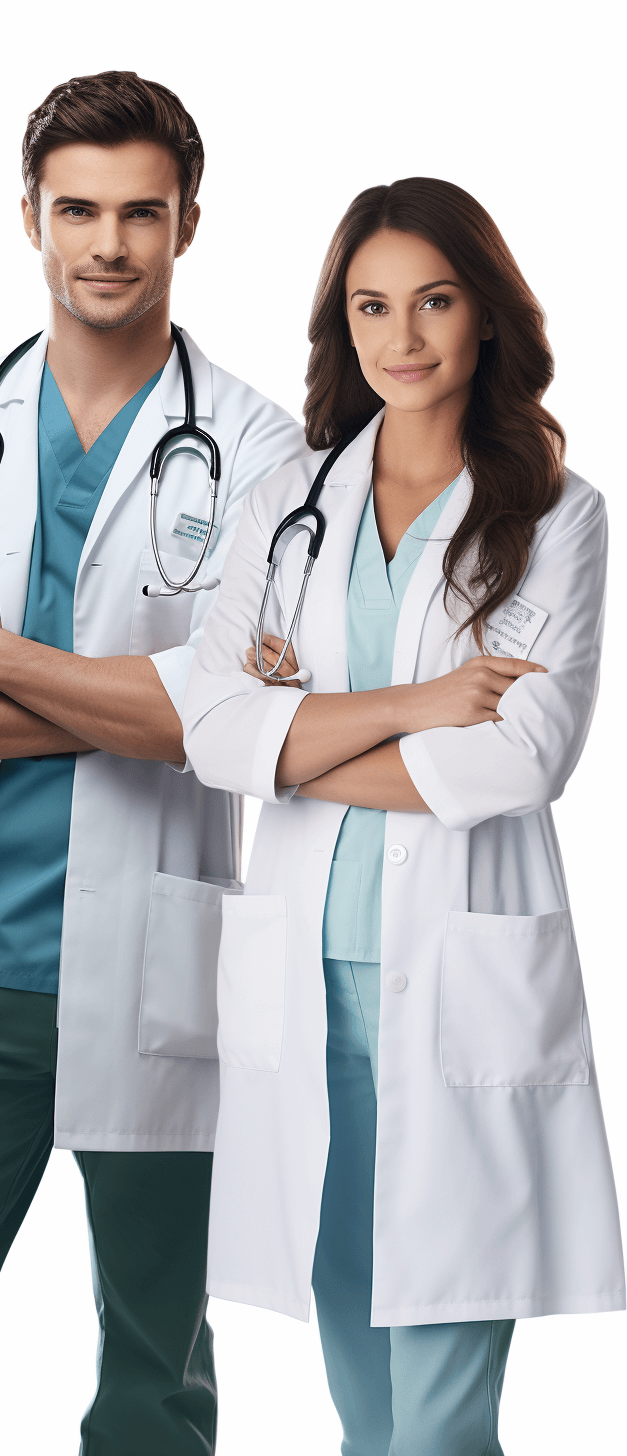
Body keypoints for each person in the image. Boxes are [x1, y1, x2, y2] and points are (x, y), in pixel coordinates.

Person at [0, 71, 306, 1455]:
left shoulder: (266, 449)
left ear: (189, 223)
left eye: (141, 213)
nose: (110, 243)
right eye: (81, 210)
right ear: (30, 218)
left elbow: (232, 725)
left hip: (164, 979)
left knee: (157, 1369)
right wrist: (145, 701)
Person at [183, 177, 624, 1455]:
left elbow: (519, 759)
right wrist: (422, 703)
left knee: (437, 1412)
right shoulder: (286, 508)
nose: (404, 337)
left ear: (485, 315)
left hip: (456, 983)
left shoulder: (554, 516)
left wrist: (296, 737)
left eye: (434, 301)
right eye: (372, 306)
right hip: (305, 985)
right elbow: (213, 735)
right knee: (357, 1385)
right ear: (343, 327)